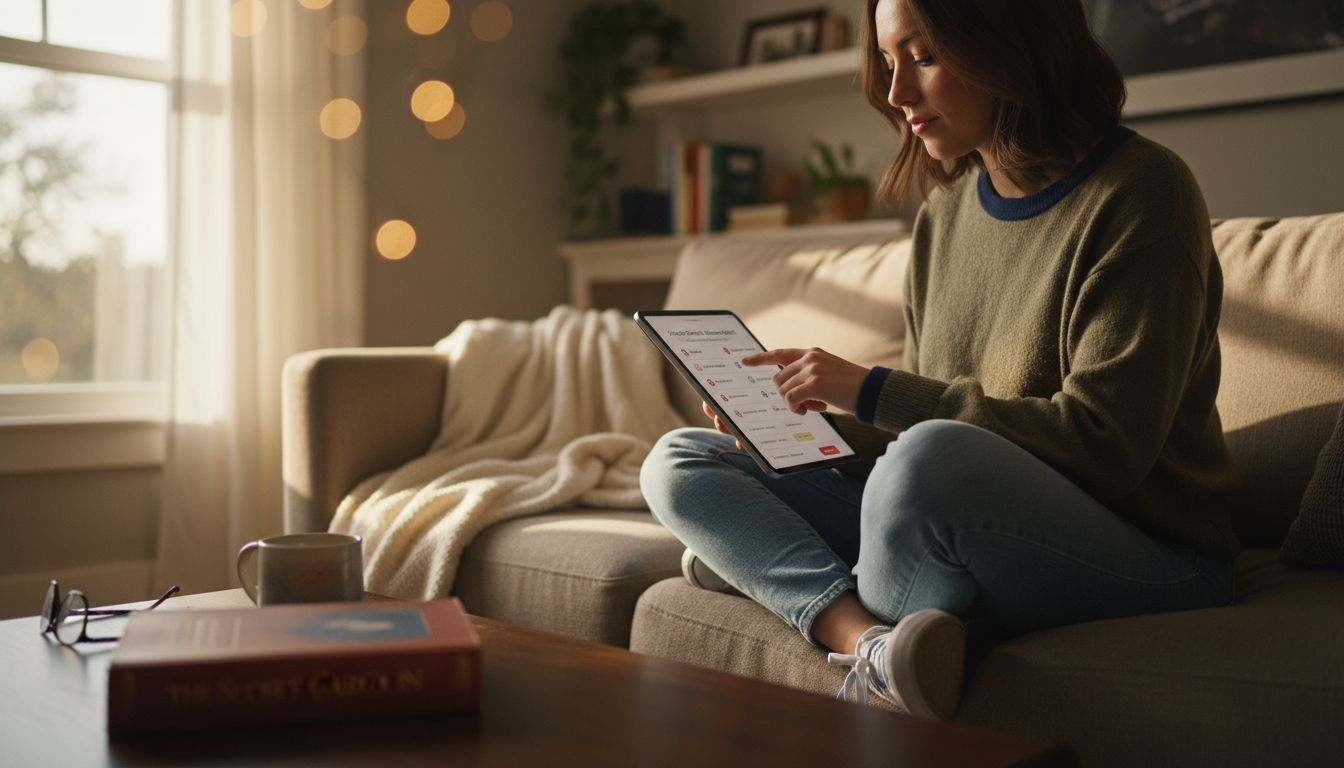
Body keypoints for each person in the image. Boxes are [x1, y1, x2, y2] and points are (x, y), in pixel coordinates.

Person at [639, 0, 1239, 721]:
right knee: (682, 461)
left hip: (1150, 551)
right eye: (889, 63)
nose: (896, 95)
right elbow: (902, 454)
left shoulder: (1143, 192)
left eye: (922, 57)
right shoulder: (945, 218)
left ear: (1010, 43)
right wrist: (788, 427)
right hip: (957, 512)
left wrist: (871, 390)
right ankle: (867, 640)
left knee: (928, 460)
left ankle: (780, 569)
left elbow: (1104, 448)